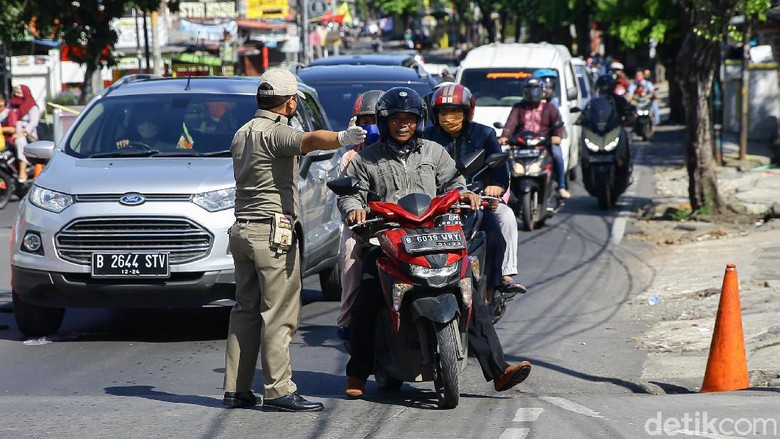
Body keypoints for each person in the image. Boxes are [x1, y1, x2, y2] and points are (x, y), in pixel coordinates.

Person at [339, 86, 532, 398]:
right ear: (385, 121)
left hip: (433, 236)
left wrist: (465, 193)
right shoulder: (367, 159)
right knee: (368, 297)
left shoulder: (433, 152)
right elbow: (351, 194)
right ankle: (358, 373)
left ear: (419, 121)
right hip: (387, 239)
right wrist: (354, 210)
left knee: (467, 290)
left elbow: (454, 182)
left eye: (410, 119)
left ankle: (498, 371)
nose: (403, 124)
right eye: (397, 119)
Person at [223, 68, 367, 412]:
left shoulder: (243, 132)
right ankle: (278, 391)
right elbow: (310, 141)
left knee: (245, 311)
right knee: (279, 314)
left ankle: (237, 389)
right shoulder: (275, 133)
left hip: (242, 230)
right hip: (272, 235)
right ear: (289, 102)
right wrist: (344, 138)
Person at [423, 83, 525, 303]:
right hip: (437, 205)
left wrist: (495, 188)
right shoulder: (426, 138)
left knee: (495, 233)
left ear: (467, 112)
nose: (449, 117)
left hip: (476, 204)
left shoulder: (485, 134)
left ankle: (493, 289)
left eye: (455, 111)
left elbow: (499, 171)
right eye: (443, 112)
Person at [336, 89, 384, 344]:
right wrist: (356, 212)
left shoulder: (402, 151)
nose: (372, 126)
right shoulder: (351, 156)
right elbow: (346, 195)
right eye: (366, 121)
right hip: (362, 226)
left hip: (400, 224)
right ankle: (347, 319)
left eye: (376, 119)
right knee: (351, 255)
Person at [498, 78, 569, 199]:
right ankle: (502, 189)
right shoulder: (518, 107)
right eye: (529, 90)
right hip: (521, 145)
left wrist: (557, 137)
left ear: (542, 91)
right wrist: (504, 137)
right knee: (502, 160)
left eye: (536, 89)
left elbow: (558, 124)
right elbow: (510, 125)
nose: (533, 93)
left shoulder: (550, 108)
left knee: (557, 155)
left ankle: (561, 186)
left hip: (543, 143)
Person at [10, 85, 40, 183]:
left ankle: (22, 171)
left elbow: (33, 122)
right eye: (16, 93)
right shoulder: (11, 105)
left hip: (27, 135)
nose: (17, 95)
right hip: (13, 131)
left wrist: (23, 133)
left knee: (20, 142)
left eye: (20, 93)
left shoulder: (32, 106)